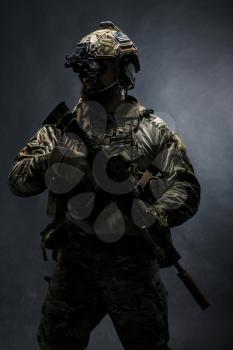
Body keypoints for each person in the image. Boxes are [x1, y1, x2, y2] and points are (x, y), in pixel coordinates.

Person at [8, 21, 201, 350]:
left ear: (124, 69)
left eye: (100, 66)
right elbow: (18, 181)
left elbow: (186, 188)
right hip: (75, 264)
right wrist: (54, 158)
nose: (88, 74)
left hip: (133, 266)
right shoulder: (61, 128)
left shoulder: (152, 130)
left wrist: (156, 214)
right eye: (84, 67)